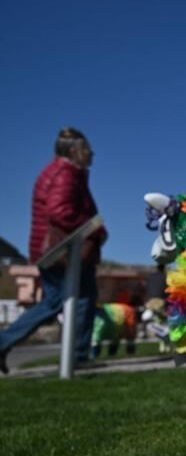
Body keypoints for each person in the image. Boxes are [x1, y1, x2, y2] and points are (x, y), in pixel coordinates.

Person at [0, 128, 107, 373]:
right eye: (88, 150)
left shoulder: (61, 172)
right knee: (70, 300)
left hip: (54, 252)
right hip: (63, 253)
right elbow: (59, 211)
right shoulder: (66, 174)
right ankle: (77, 355)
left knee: (63, 300)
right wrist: (93, 229)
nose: (91, 155)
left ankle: (76, 353)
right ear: (75, 151)